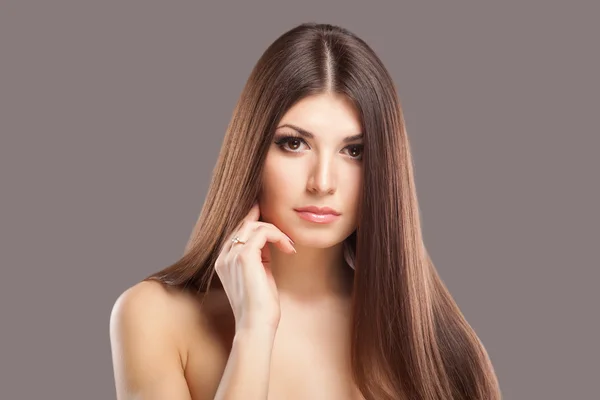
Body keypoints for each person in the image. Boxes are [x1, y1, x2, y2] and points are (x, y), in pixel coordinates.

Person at [109, 22, 502, 400]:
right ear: (252, 151)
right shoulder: (154, 317)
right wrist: (254, 329)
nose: (323, 182)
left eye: (354, 151)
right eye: (294, 144)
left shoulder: (438, 346)